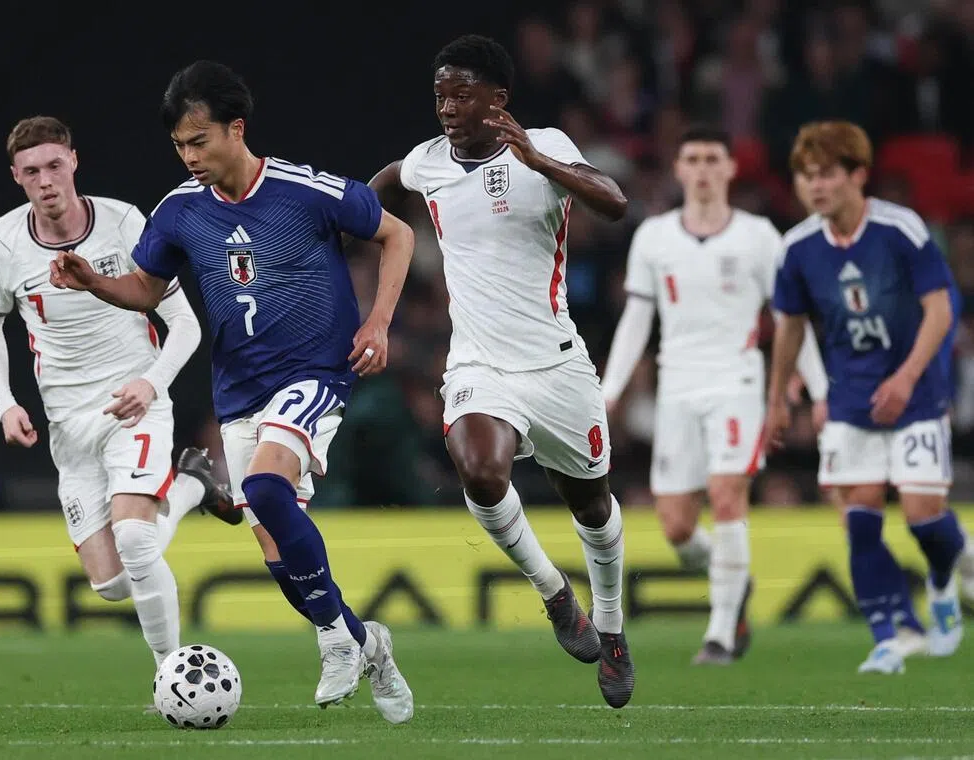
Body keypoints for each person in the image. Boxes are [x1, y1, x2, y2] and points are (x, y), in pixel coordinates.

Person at [48, 61, 416, 723]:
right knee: (279, 554)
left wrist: (379, 322)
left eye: (199, 141)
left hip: (314, 373)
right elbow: (147, 290)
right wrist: (92, 282)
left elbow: (397, 232)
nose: (189, 157)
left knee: (272, 491)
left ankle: (335, 640)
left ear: (236, 128)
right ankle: (370, 641)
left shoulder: (303, 190)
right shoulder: (179, 213)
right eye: (180, 147)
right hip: (239, 392)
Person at [365, 34, 634, 708]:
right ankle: (553, 593)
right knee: (481, 472)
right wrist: (340, 220)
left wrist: (541, 161)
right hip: (480, 362)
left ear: (498, 99)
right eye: (440, 95)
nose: (449, 107)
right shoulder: (427, 162)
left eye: (462, 94)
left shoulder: (544, 145)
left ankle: (613, 626)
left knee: (593, 509)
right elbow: (379, 190)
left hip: (556, 363)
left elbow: (614, 202)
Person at [0, 116, 236, 671]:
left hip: (133, 406)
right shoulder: (2, 242)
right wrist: (5, 401)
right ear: (16, 177)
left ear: (73, 161)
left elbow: (184, 324)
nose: (45, 181)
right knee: (112, 584)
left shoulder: (124, 223)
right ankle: (191, 485)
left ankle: (172, 674)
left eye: (53, 166)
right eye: (31, 172)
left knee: (137, 540)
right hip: (69, 428)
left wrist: (150, 384)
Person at [600, 124, 830, 665]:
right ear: (679, 170)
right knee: (677, 526)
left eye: (712, 159)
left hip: (738, 381)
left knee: (728, 495)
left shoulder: (758, 237)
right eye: (693, 159)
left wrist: (821, 391)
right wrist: (609, 391)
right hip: (676, 384)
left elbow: (790, 320)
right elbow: (638, 318)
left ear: (730, 169)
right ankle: (734, 579)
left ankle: (722, 632)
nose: (702, 169)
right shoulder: (654, 236)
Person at [767, 120, 974, 674]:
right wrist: (778, 398)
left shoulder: (900, 229)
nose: (815, 187)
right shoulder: (797, 247)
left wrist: (907, 377)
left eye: (828, 174)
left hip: (918, 393)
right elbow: (789, 326)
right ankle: (891, 635)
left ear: (858, 175)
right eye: (806, 176)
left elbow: (941, 309)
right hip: (851, 398)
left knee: (923, 518)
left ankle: (946, 574)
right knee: (859, 518)